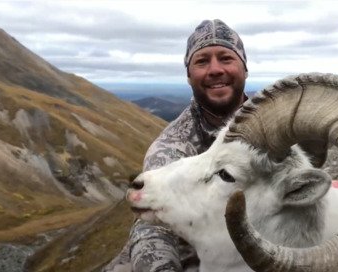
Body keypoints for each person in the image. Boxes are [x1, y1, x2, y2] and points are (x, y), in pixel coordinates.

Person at [103, 18, 249, 272]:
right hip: (196, 249)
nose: (215, 69)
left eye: (226, 58)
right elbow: (153, 223)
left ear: (244, 68)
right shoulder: (171, 147)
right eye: (202, 61)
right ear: (189, 75)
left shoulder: (277, 127)